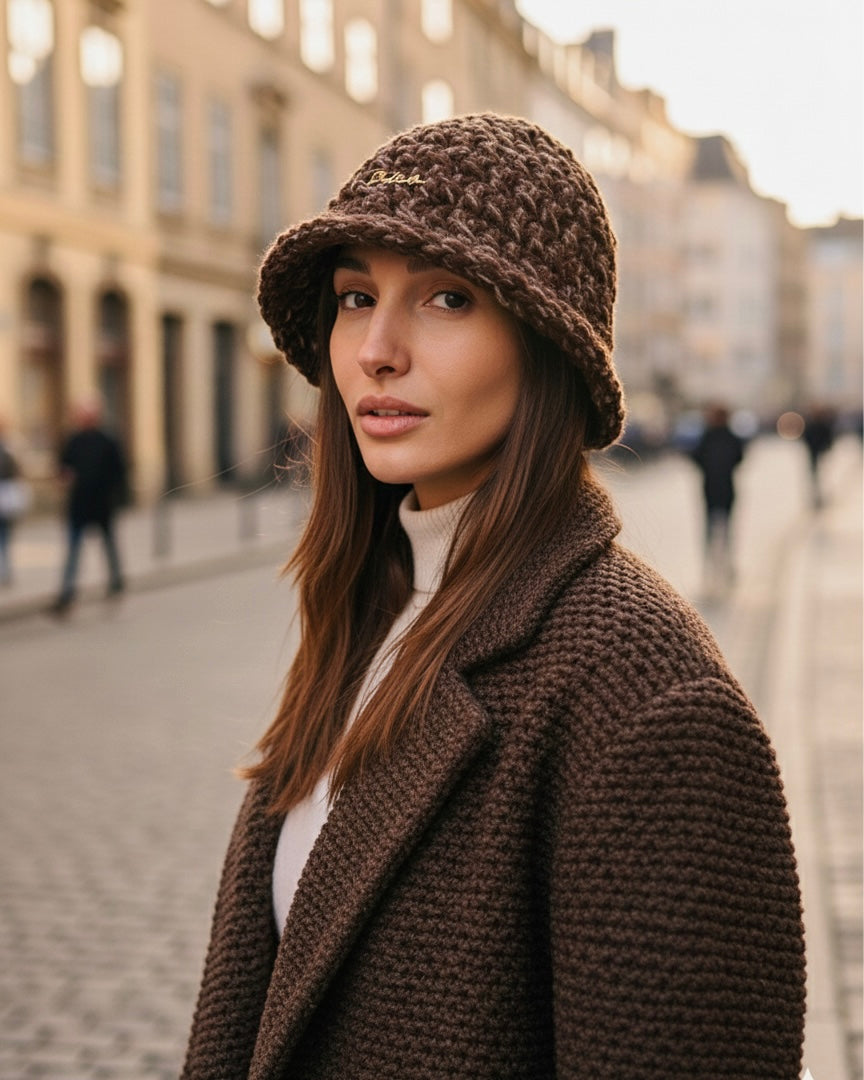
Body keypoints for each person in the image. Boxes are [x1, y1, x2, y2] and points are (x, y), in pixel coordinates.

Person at [182, 114, 805, 1079]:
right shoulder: (374, 610)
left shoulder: (646, 698)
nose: (377, 349)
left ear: (545, 343)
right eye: (355, 297)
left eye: (447, 297)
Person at [49, 398, 128, 615]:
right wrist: (64, 478)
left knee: (109, 546)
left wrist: (114, 496)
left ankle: (116, 582)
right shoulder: (73, 440)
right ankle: (67, 592)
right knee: (74, 550)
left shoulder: (107, 440)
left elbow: (119, 471)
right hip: (79, 505)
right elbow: (62, 467)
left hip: (101, 505)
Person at [689, 403, 745, 593]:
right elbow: (739, 457)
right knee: (726, 529)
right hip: (725, 489)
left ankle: (712, 567)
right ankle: (724, 565)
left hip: (711, 488)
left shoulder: (708, 436)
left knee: (711, 531)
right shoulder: (730, 436)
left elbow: (696, 457)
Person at [0, 418, 26, 586]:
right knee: (4, 537)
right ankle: (6, 571)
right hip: (6, 499)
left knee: (4, 536)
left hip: (5, 499)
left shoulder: (8, 449)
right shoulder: (8, 450)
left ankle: (5, 571)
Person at [801, 403, 835, 507]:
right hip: (813, 453)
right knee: (815, 475)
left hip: (820, 452)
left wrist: (826, 447)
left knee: (822, 474)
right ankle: (816, 495)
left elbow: (828, 437)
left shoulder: (823, 424)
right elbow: (805, 437)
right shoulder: (810, 424)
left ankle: (822, 495)